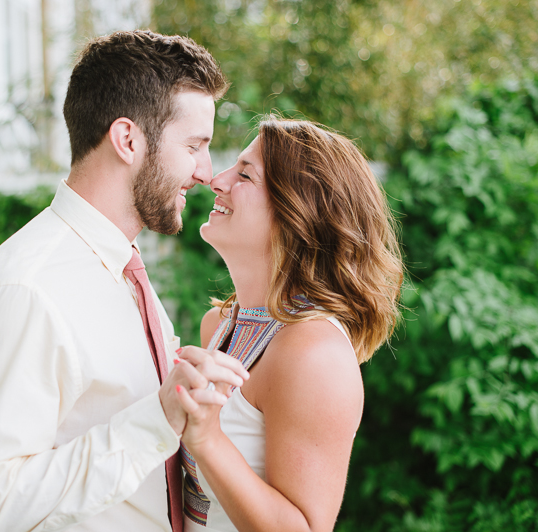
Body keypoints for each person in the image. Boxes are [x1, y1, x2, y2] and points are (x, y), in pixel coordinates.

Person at [0, 30, 250, 532]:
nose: (205, 172)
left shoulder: (120, 267)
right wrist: (156, 419)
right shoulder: (27, 290)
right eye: (195, 146)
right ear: (128, 140)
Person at [173, 117, 404, 531]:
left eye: (244, 174)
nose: (217, 180)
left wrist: (208, 441)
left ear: (296, 212)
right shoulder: (219, 325)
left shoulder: (315, 354)